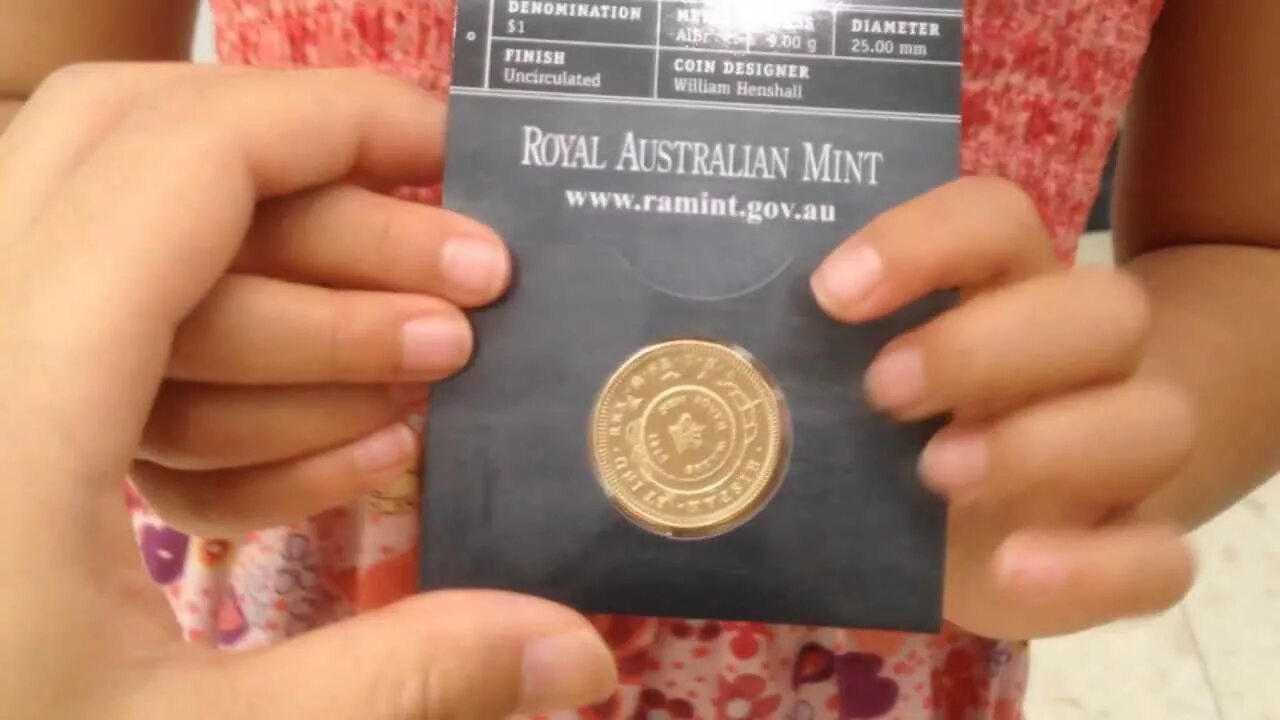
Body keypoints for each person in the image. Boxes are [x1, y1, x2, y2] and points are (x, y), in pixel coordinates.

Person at [0, 1, 1277, 718]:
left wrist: (1070, 446)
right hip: (283, 537)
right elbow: (34, 99)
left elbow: (1243, 246)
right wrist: (158, 341)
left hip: (873, 613)